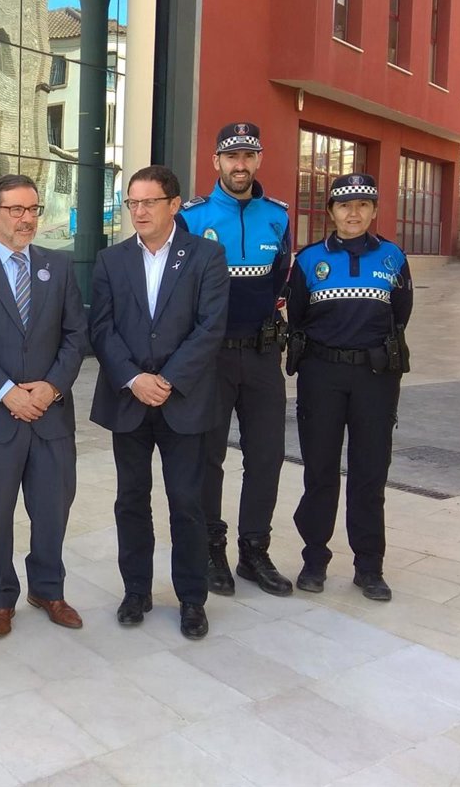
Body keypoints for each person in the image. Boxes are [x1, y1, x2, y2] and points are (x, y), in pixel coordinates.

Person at [0, 173, 86, 639]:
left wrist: (51, 388)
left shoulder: (58, 266)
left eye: (33, 209)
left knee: (53, 509)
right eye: (16, 210)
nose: (27, 219)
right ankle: (0, 599)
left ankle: (48, 590)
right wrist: (8, 392)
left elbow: (75, 335)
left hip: (50, 416)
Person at [89, 165, 229, 640]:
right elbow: (101, 328)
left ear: (173, 205)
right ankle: (136, 591)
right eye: (133, 202)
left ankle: (192, 598)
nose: (140, 211)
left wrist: (166, 380)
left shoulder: (206, 256)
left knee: (187, 503)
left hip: (182, 400)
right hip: (129, 400)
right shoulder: (111, 260)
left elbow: (210, 327)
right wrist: (134, 379)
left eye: (150, 202)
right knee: (131, 500)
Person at [176, 122, 293, 597]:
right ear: (216, 162)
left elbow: (280, 279)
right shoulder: (192, 217)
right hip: (212, 358)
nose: (239, 165)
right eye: (231, 156)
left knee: (267, 456)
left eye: (247, 155)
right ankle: (211, 549)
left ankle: (254, 550)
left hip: (263, 355)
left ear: (258, 159)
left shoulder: (277, 216)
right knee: (209, 458)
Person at [286, 173, 412, 602]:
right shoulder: (309, 260)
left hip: (375, 377)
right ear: (331, 212)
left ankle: (369, 567)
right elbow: (298, 315)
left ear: (374, 210)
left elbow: (401, 314)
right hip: (321, 375)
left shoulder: (393, 257)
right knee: (319, 470)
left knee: (370, 472)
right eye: (344, 205)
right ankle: (314, 559)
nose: (353, 212)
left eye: (362, 204)